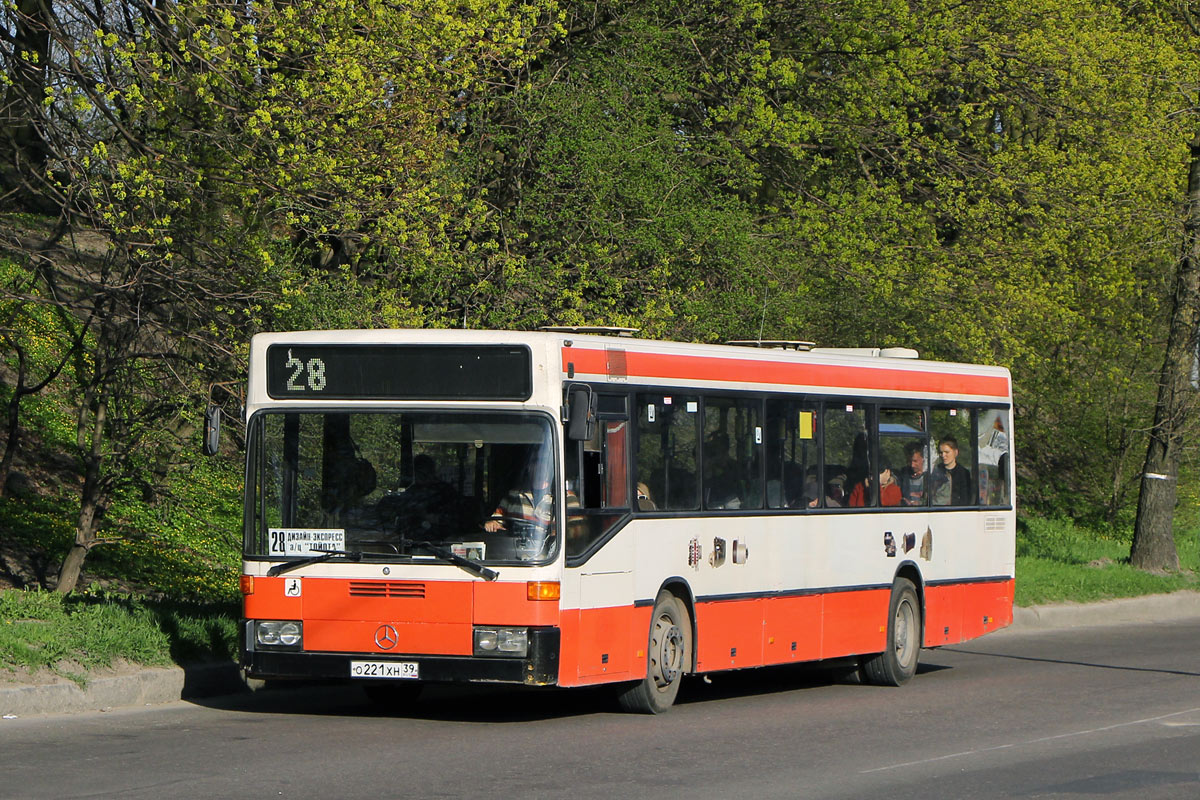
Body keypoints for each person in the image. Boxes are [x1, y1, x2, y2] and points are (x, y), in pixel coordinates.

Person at [485, 457, 554, 533]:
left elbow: (569, 529)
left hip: (549, 544)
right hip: (517, 543)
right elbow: (496, 519)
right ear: (529, 467)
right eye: (535, 462)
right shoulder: (514, 495)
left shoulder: (563, 497)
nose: (539, 467)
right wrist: (492, 524)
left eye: (544, 462)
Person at [932, 437, 972, 506]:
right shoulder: (936, 471)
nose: (943, 455)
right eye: (941, 452)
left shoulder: (963, 473)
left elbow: (965, 498)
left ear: (956, 453)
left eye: (947, 452)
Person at [898, 442, 927, 506]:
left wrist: (920, 503)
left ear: (923, 459)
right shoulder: (902, 476)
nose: (912, 465)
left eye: (915, 461)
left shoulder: (932, 477)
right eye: (909, 461)